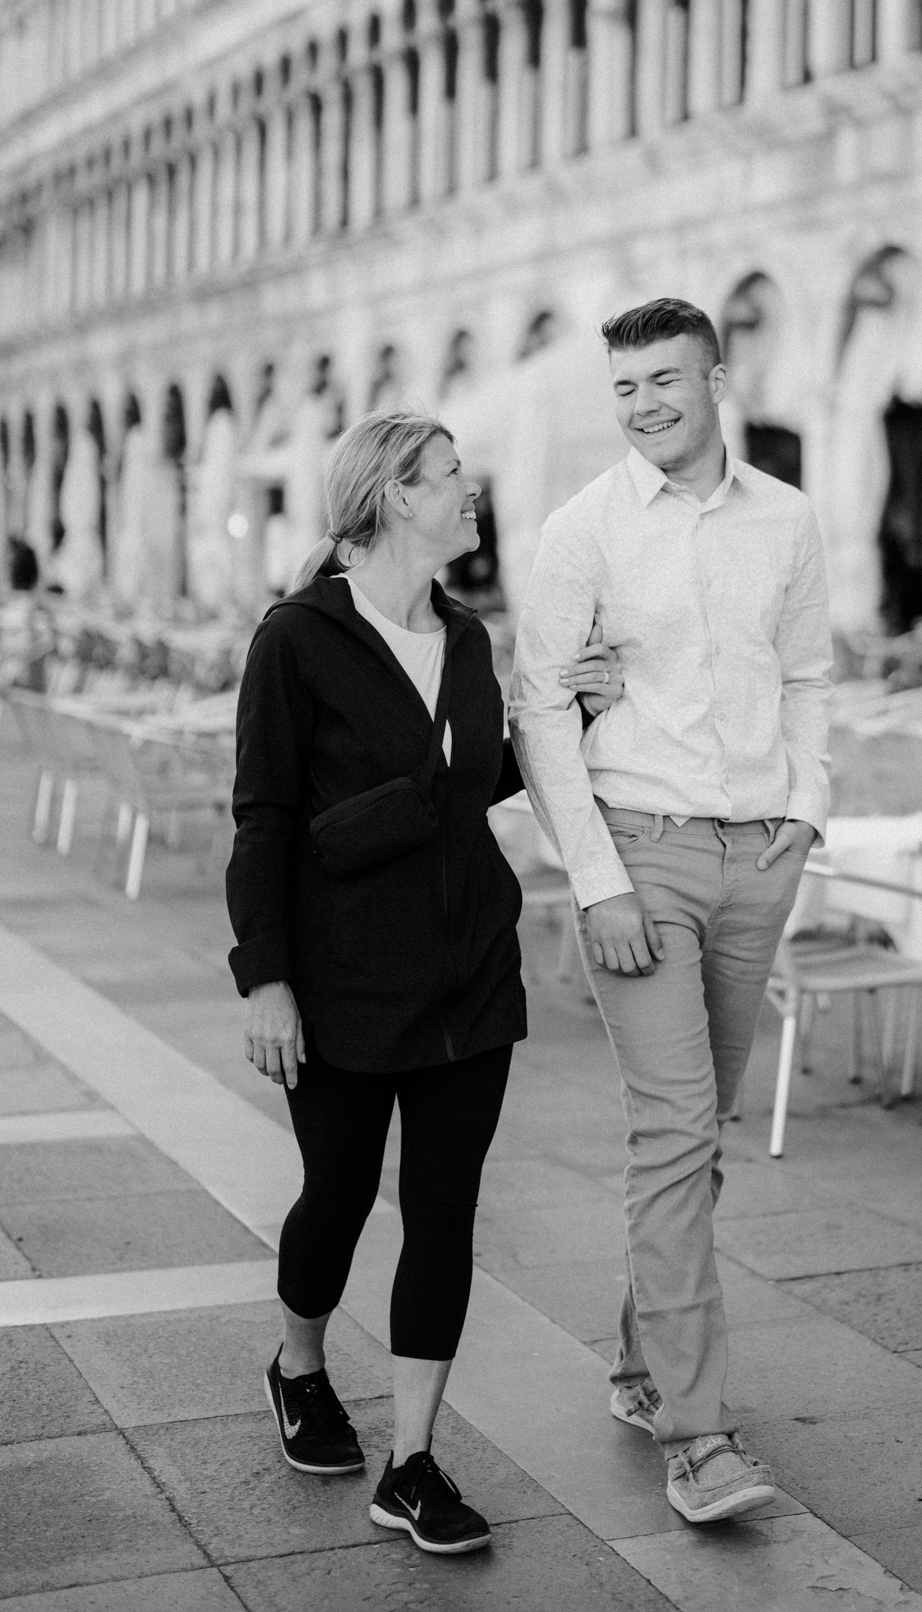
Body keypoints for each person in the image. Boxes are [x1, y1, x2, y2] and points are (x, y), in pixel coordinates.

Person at [227, 408, 619, 1558]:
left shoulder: (467, 640)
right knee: (338, 1203)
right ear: (397, 495)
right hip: (341, 980)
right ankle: (298, 1363)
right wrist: (266, 981)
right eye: (454, 477)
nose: (472, 493)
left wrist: (573, 711)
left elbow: (466, 786)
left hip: (467, 977)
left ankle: (412, 1461)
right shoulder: (295, 640)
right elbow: (263, 820)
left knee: (443, 1214)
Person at [510, 297, 832, 1525]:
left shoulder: (790, 518)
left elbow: (808, 675)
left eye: (663, 381)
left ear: (716, 378)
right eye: (625, 388)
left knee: (705, 1132)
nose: (643, 405)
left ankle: (645, 1369)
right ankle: (698, 1438)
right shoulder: (582, 530)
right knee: (673, 1129)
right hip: (640, 850)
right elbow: (541, 713)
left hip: (760, 855)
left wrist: (804, 815)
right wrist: (594, 880)